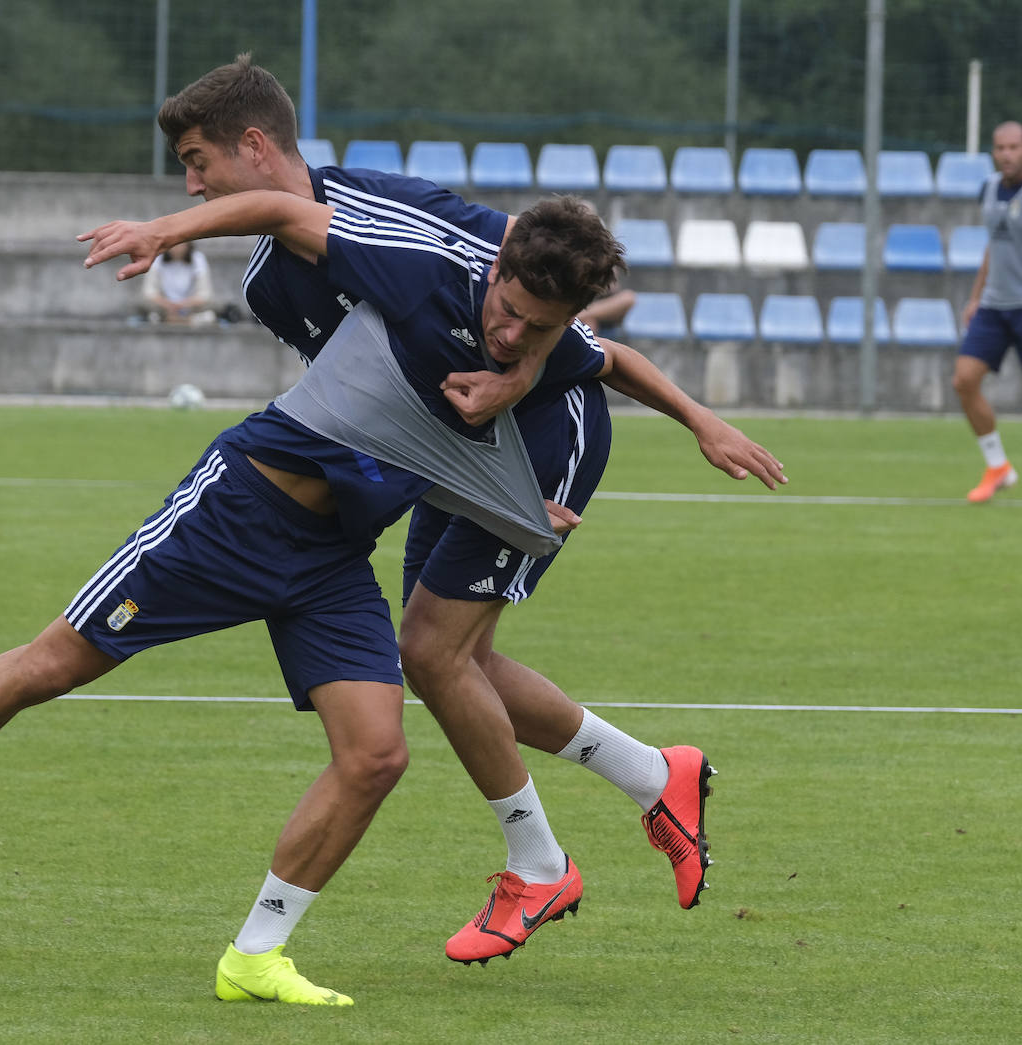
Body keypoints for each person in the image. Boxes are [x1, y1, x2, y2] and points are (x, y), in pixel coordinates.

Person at [0, 192, 621, 1006]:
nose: (511, 334)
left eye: (536, 328)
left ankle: (255, 956)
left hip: (332, 560)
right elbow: (284, 212)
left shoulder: (542, 341)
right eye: (508, 311)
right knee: (52, 664)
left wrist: (686, 425)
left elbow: (612, 363)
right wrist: (164, 229)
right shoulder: (417, 271)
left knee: (375, 755)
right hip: (237, 513)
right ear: (496, 269)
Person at [128, 56, 784, 964]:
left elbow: (575, 323)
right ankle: (652, 774)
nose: (190, 182)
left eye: (198, 165)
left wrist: (590, 406)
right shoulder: (273, 284)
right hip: (446, 448)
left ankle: (539, 863)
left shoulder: (410, 229)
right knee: (458, 659)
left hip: (546, 444)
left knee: (432, 652)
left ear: (254, 146)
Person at [954, 120, 1022, 503]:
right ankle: (997, 466)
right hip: (995, 306)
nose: (1007, 154)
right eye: (1001, 147)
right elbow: (994, 247)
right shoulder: (987, 190)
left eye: (1015, 147)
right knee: (964, 381)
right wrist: (975, 296)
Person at [141, 240, 218, 324]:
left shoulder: (198, 258)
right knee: (151, 313)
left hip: (190, 309)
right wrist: (168, 305)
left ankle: (181, 320)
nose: (177, 248)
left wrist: (183, 305)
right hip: (164, 309)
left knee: (209, 316)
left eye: (181, 244)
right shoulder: (158, 258)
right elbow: (149, 292)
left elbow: (205, 294)